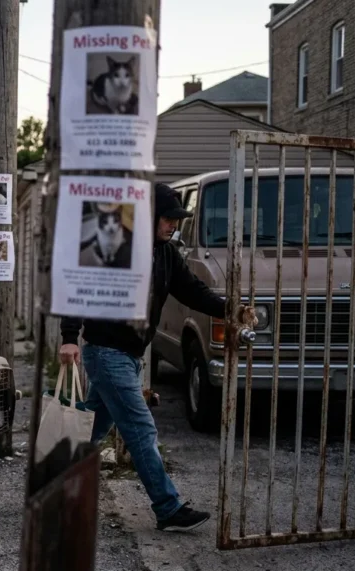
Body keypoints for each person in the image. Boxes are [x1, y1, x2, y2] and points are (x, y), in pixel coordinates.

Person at [59, 183, 252, 532]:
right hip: (106, 351)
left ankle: (53, 485)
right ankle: (167, 507)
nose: (173, 226)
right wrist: (69, 337)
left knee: (91, 428)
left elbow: (192, 290)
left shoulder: (165, 253)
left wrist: (230, 308)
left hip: (130, 355)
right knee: (140, 428)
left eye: (176, 220)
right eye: (167, 219)